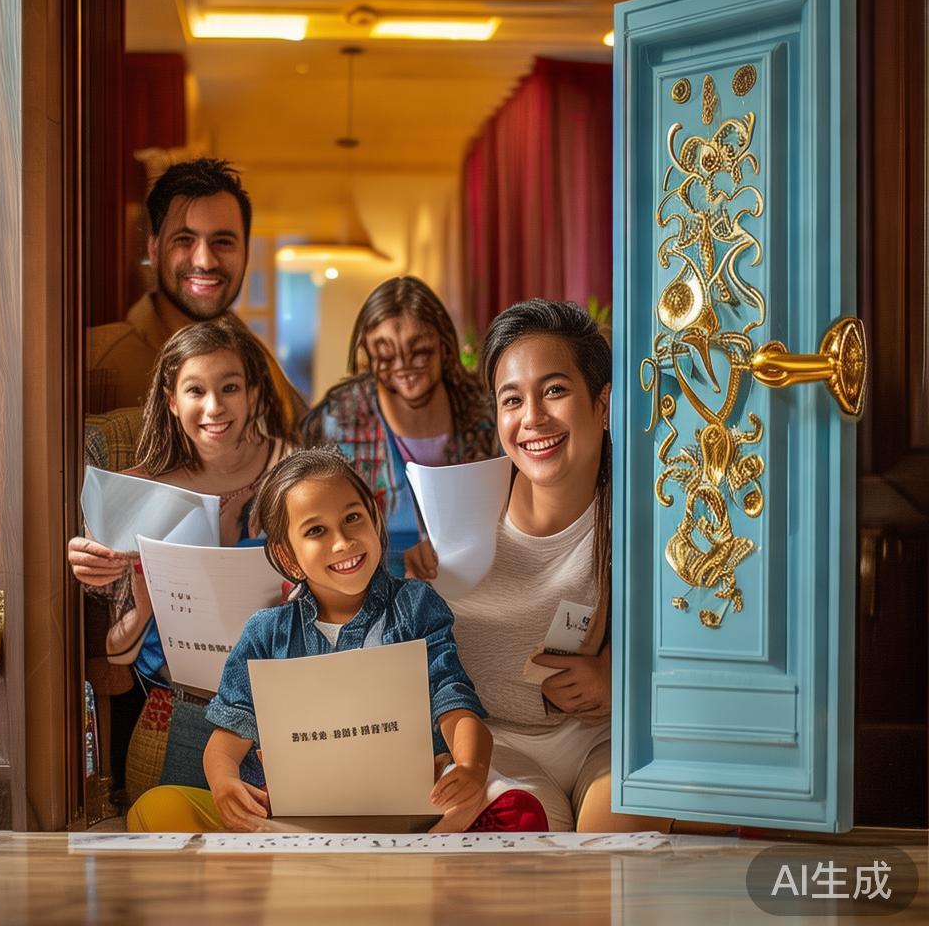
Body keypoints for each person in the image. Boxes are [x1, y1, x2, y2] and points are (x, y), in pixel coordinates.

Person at [126, 448, 547, 834]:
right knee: (158, 807)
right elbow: (226, 739)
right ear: (288, 556)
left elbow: (453, 701)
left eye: (352, 518)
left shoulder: (414, 607)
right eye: (316, 531)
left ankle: (405, 866)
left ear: (375, 517)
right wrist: (224, 785)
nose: (343, 542)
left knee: (520, 810)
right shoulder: (266, 633)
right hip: (297, 818)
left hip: (414, 811)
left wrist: (471, 768)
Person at [444, 300, 669, 833]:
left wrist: (623, 678)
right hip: (492, 744)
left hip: (607, 738)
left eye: (554, 391)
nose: (532, 419)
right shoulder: (457, 510)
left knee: (614, 841)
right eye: (512, 400)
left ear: (603, 402)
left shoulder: (649, 512)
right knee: (523, 832)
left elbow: (713, 641)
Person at [70, 317, 298, 797]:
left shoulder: (299, 473)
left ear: (254, 393)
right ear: (171, 401)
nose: (214, 407)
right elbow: (116, 652)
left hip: (286, 720)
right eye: (196, 390)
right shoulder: (132, 496)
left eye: (230, 387)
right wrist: (103, 579)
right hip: (177, 715)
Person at [303, 276, 498, 578]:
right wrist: (396, 562)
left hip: (477, 580)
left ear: (444, 347)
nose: (403, 366)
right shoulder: (337, 421)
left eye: (419, 352)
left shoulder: (485, 411)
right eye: (386, 356)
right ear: (368, 354)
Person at [86, 157, 303, 425]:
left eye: (223, 242)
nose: (205, 261)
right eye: (184, 240)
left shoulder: (259, 362)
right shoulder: (95, 362)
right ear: (154, 251)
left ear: (246, 254)